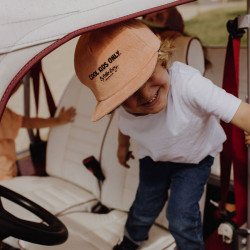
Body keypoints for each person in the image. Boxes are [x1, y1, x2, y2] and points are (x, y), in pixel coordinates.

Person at [74, 19, 250, 250]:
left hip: (194, 159)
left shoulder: (189, 85)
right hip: (154, 157)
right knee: (145, 204)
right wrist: (122, 147)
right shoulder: (126, 111)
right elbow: (125, 126)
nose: (146, 95)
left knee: (180, 215)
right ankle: (132, 239)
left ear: (162, 58)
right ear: (115, 103)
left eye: (147, 76)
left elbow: (240, 111)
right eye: (129, 94)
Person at [0, 106, 76, 181]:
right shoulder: (3, 114)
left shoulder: (3, 114)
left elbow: (28, 123)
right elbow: (29, 123)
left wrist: (58, 120)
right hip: (7, 177)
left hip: (9, 175)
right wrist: (58, 121)